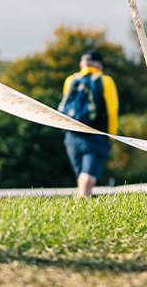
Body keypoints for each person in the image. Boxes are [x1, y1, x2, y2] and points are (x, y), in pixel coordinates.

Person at [59, 50, 118, 198]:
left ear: (81, 65)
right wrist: (111, 136)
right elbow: (112, 110)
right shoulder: (106, 81)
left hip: (71, 135)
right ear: (99, 65)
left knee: (82, 174)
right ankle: (82, 201)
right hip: (95, 135)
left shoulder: (70, 80)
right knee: (89, 174)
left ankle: (84, 199)